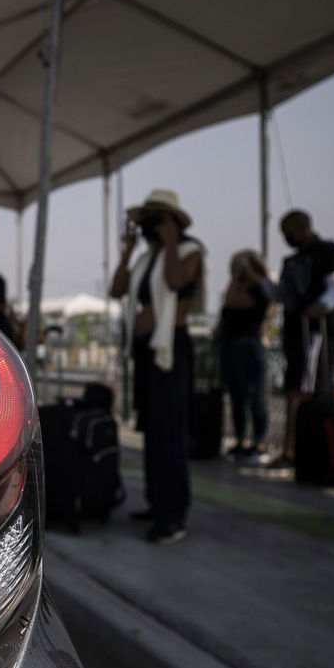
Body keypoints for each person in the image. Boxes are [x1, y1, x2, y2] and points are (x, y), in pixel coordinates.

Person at [110, 189, 204, 545]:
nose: (150, 226)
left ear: (173, 223)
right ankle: (156, 502)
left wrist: (170, 243)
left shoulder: (188, 251)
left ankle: (173, 513)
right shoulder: (146, 259)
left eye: (157, 219)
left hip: (171, 351)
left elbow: (176, 281)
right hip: (147, 353)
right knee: (153, 430)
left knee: (171, 433)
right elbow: (116, 289)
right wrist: (128, 252)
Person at [265, 210, 334, 471]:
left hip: (315, 332)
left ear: (301, 228)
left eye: (288, 232)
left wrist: (320, 307)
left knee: (305, 389)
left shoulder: (328, 252)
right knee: (296, 387)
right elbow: (281, 294)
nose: (286, 238)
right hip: (296, 332)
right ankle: (295, 449)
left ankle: (300, 450)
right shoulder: (293, 260)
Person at [216, 251, 276, 466]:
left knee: (255, 394)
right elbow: (229, 303)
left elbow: (265, 296)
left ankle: (259, 441)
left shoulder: (261, 289)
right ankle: (241, 439)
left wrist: (250, 271)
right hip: (231, 343)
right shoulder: (234, 287)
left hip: (251, 344)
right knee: (236, 395)